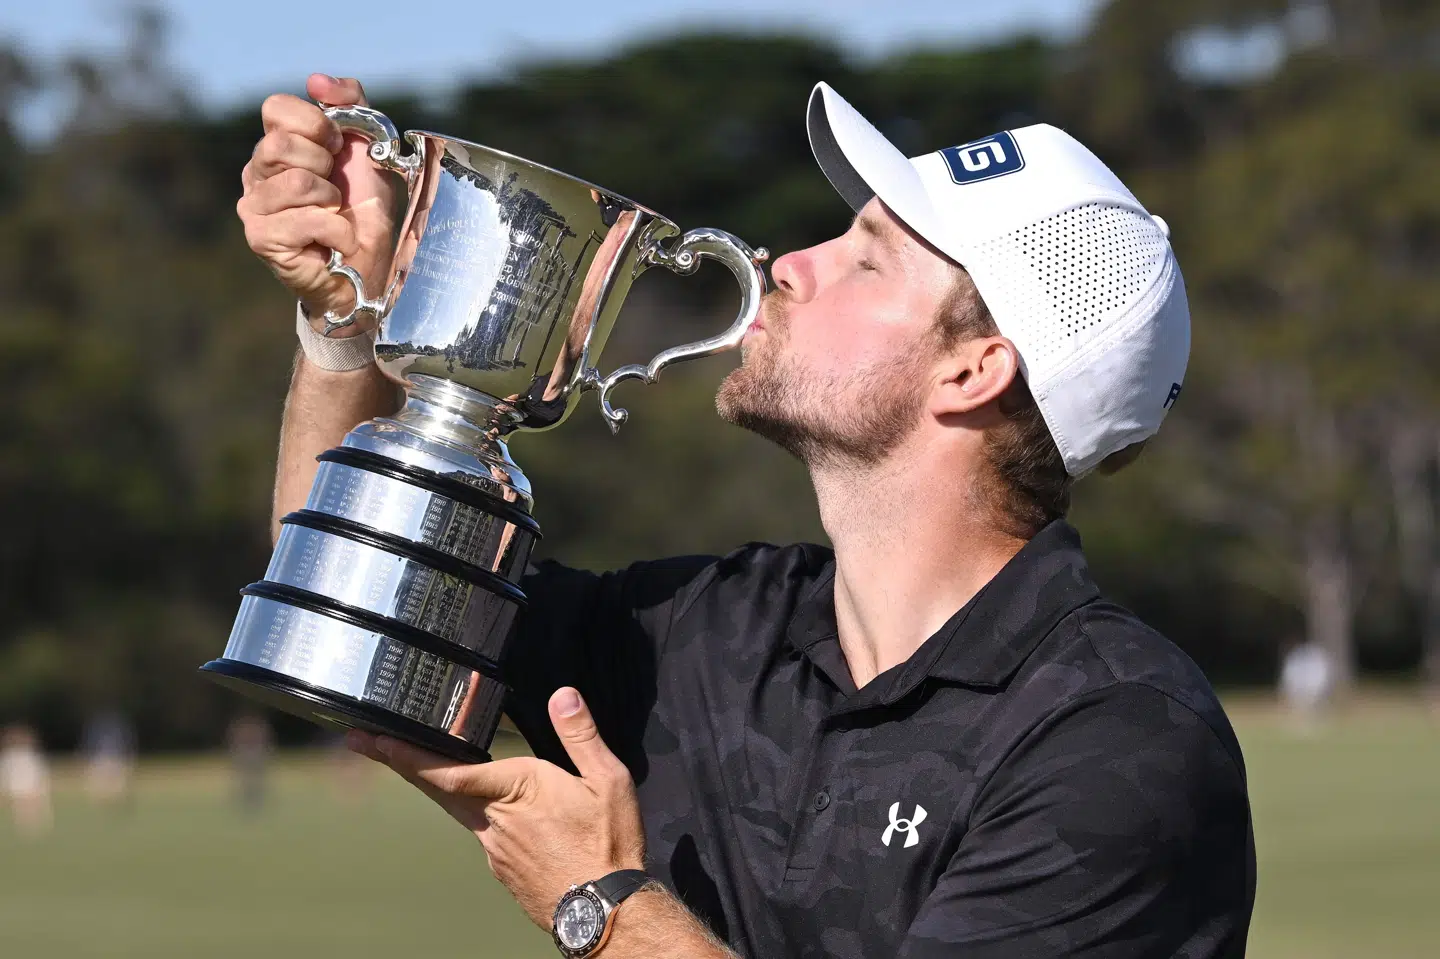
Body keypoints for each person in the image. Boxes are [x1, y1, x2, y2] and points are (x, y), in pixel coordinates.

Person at [237, 74, 1256, 958]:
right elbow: (347, 596)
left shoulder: (1118, 740)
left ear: (974, 370)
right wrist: (344, 316)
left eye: (867, 259)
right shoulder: (712, 629)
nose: (792, 262)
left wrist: (602, 906)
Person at [0, 724, 53, 838]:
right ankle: (27, 829)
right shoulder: (11, 756)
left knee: (27, 807)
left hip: (25, 785)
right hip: (21, 786)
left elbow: (37, 771)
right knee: (23, 807)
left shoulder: (27, 755)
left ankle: (30, 829)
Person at [81, 710, 137, 809]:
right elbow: (90, 746)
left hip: (115, 758)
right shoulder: (97, 731)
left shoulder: (118, 732)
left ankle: (117, 803)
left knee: (117, 783)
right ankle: (101, 803)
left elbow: (125, 745)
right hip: (101, 758)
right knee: (99, 782)